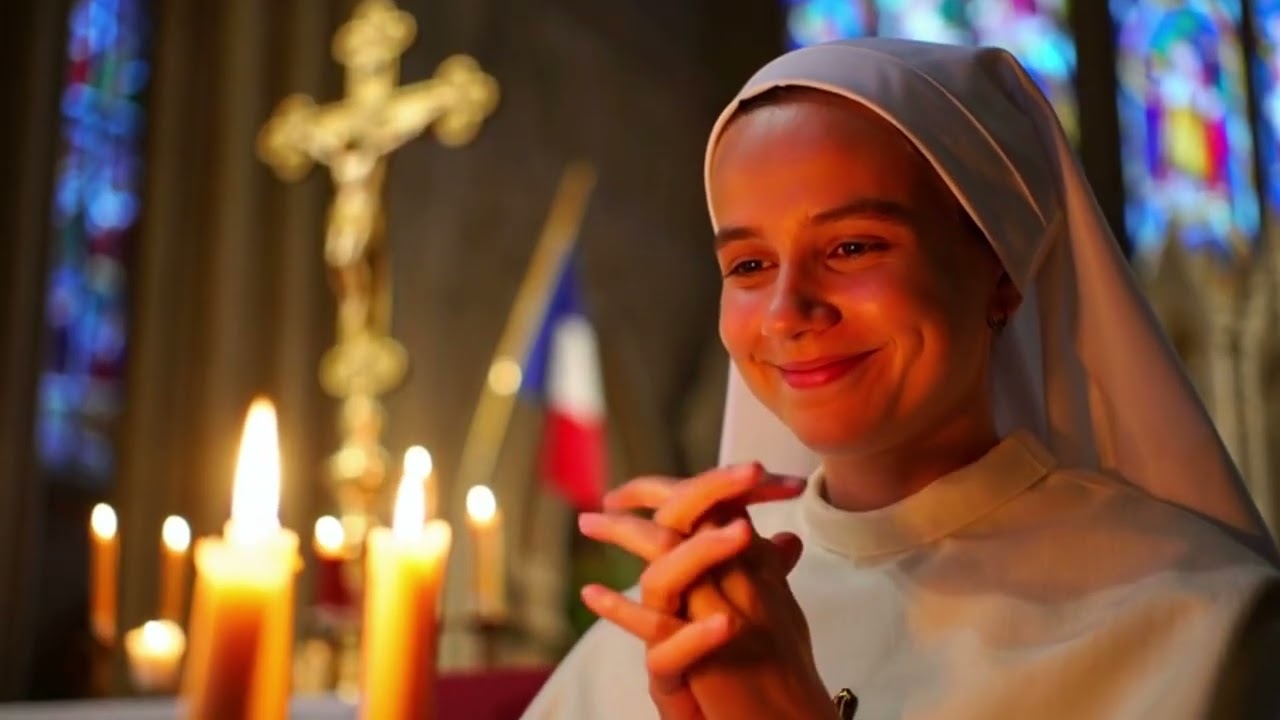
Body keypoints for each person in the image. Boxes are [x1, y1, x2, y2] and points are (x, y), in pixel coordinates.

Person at [520, 38, 1280, 719]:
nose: (787, 313)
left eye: (853, 247)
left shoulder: (1199, 622)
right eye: (748, 264)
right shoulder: (668, 627)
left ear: (1001, 273)